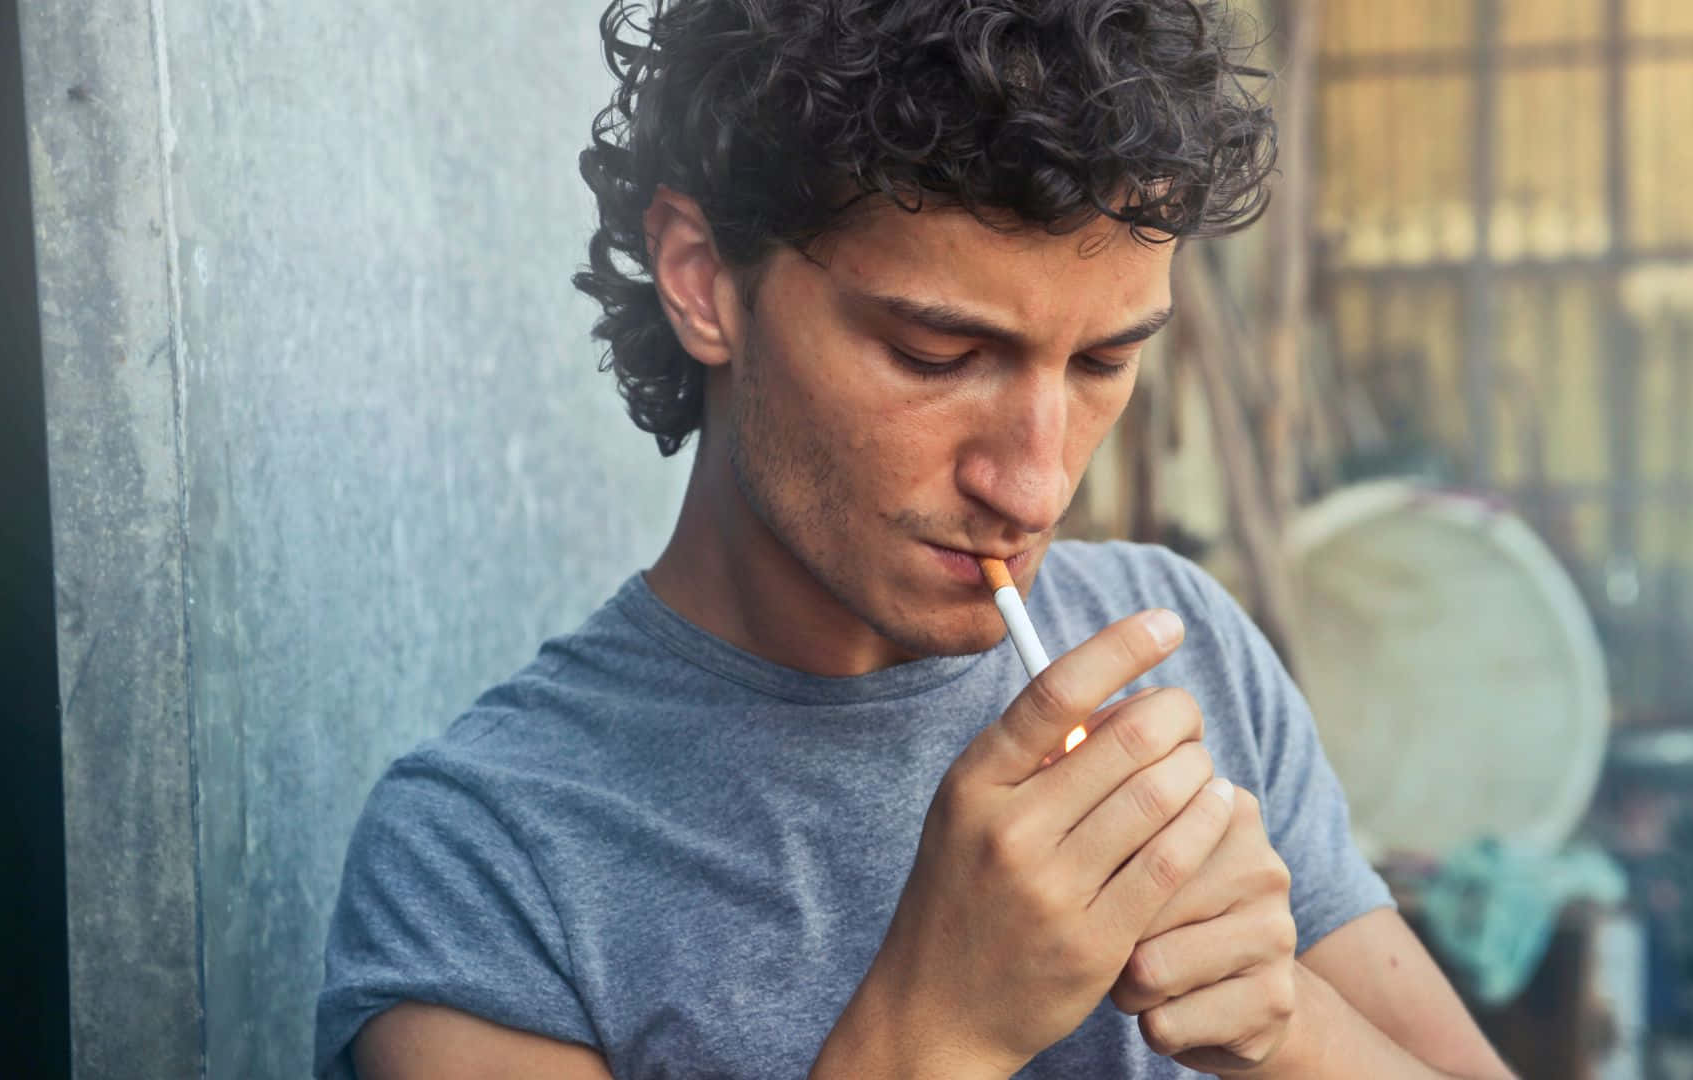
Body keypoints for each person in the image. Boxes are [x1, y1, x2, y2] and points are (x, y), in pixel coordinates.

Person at [316, 1, 1517, 1077]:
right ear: (702, 280)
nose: (1035, 482)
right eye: (938, 355)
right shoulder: (486, 862)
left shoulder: (1180, 650)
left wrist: (1285, 1022)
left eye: (1104, 361)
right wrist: (941, 1029)